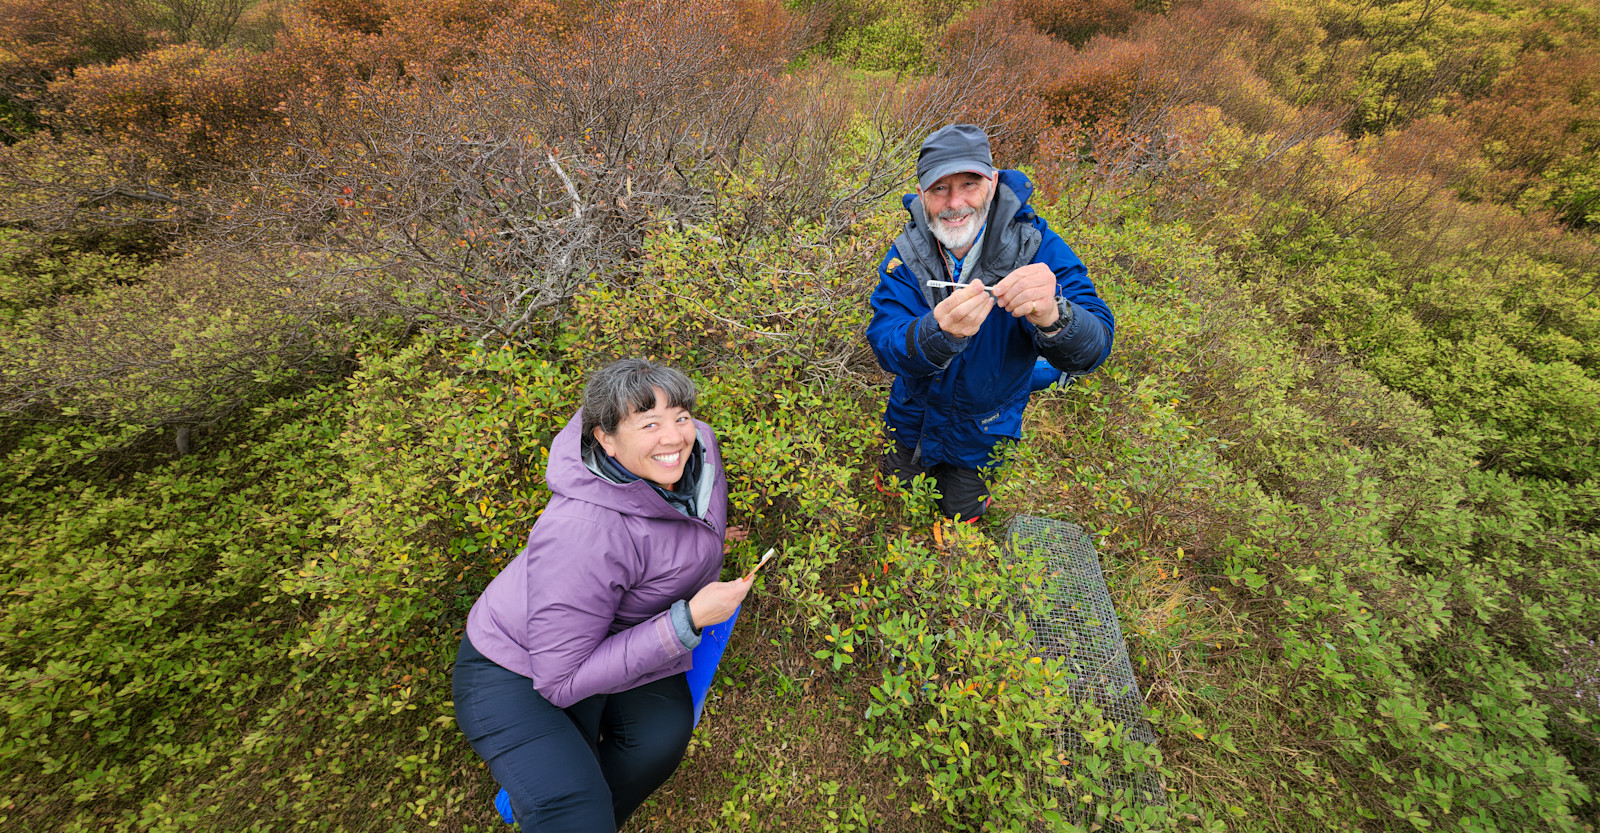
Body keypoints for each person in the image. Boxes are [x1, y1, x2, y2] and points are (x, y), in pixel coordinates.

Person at [452, 358, 752, 830]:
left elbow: (677, 512)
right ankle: (557, 794)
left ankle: (585, 805)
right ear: (604, 438)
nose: (673, 437)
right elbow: (560, 678)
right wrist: (686, 621)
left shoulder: (697, 446)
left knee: (660, 739)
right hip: (518, 665)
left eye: (680, 416)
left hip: (616, 629)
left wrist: (708, 536)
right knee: (571, 807)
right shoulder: (582, 531)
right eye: (649, 423)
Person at [867, 123, 1115, 520]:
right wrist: (935, 334)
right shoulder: (906, 253)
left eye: (969, 183)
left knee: (960, 513)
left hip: (984, 431)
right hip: (911, 418)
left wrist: (1055, 315)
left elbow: (1097, 344)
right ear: (922, 193)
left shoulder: (1039, 246)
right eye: (939, 189)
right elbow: (885, 342)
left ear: (993, 181)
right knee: (895, 494)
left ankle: (954, 535)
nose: (956, 202)